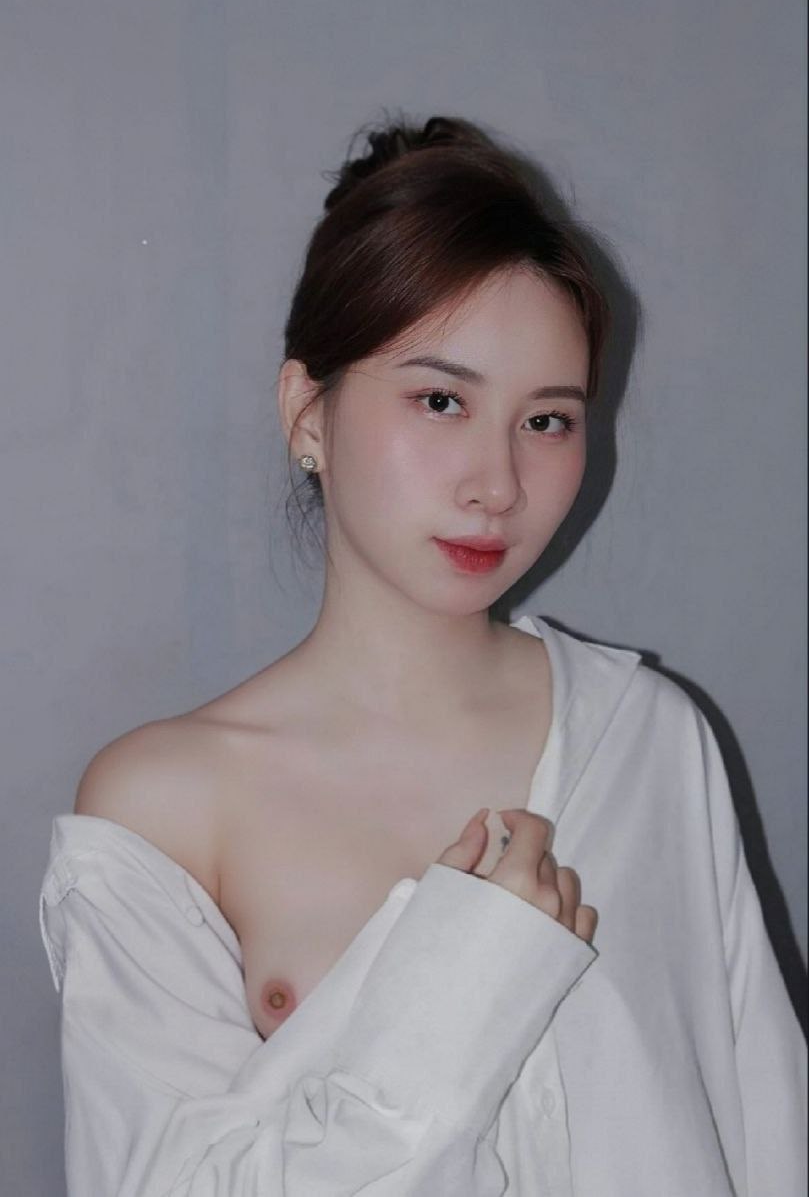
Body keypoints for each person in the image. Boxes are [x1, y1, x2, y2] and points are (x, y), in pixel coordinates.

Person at [39, 113, 806, 1195]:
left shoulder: (648, 742)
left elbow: (768, 1142)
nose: (496, 483)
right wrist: (471, 969)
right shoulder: (165, 803)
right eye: (440, 400)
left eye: (546, 420)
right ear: (307, 411)